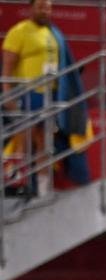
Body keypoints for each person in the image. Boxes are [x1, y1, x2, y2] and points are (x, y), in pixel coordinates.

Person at [2, 0, 58, 197]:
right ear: (31, 8)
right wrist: (8, 95)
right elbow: (7, 68)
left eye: (49, 7)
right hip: (27, 93)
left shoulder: (52, 33)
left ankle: (43, 187)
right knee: (27, 139)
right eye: (41, 6)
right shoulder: (19, 31)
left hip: (49, 94)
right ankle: (23, 185)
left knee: (44, 141)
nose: (46, 11)